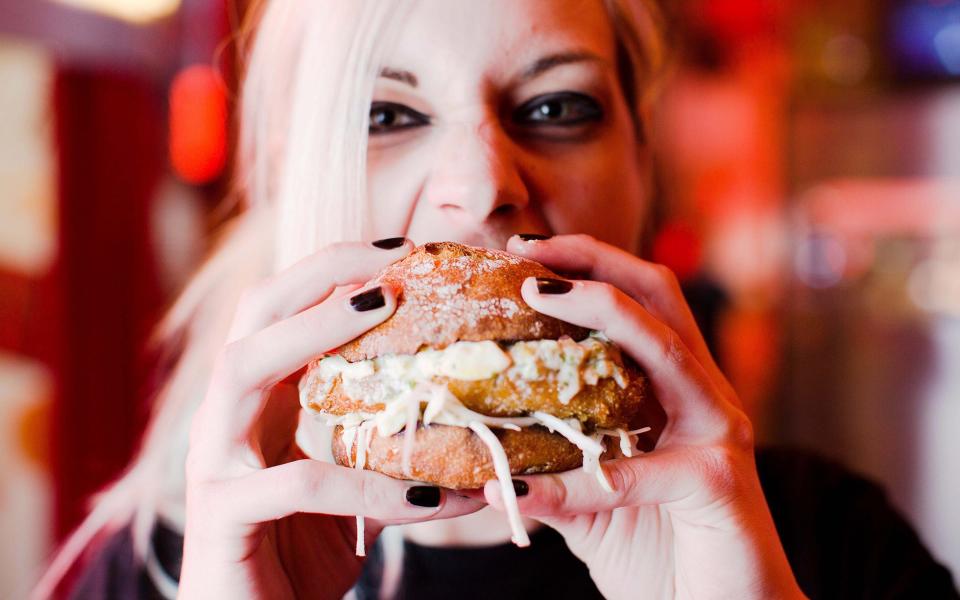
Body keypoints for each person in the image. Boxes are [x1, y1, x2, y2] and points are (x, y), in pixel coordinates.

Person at [36, 1, 959, 598]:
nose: (480, 185)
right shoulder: (149, 573)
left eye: (557, 107)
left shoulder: (830, 548)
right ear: (286, 181)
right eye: (386, 116)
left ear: (643, 166)